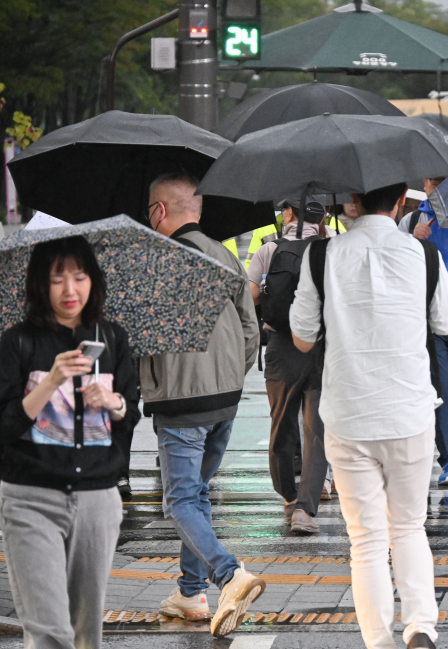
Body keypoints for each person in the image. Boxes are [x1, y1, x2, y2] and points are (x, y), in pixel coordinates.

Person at [290, 182, 448, 649]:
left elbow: (303, 337)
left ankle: (379, 642)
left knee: (365, 540)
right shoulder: (424, 256)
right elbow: (445, 322)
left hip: (348, 414)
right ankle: (421, 626)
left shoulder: (320, 256)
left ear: (351, 204)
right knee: (408, 526)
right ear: (401, 203)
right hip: (408, 411)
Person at [0, 236, 139, 649]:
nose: (70, 290)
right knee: (49, 633)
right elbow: (4, 428)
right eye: (57, 278)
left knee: (85, 634)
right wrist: (52, 382)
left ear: (93, 281)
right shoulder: (18, 341)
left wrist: (112, 402)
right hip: (31, 498)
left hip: (98, 499)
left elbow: (130, 413)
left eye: (79, 277)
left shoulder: (111, 338)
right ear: (39, 285)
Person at [143, 172, 265, 637]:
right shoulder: (225, 255)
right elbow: (249, 327)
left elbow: (141, 336)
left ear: (159, 211)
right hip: (225, 399)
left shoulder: (157, 261)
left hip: (179, 398)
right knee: (196, 494)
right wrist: (233, 373)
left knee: (179, 500)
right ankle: (190, 592)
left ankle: (229, 575)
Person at [248, 198, 330, 534]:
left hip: (282, 345)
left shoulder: (269, 250)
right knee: (317, 430)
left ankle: (288, 497)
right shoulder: (332, 248)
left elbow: (251, 294)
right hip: (323, 345)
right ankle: (305, 510)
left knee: (282, 424)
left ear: (291, 214)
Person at [399, 178, 448, 485]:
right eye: (433, 182)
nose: (438, 187)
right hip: (427, 320)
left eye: (444, 181)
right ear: (426, 184)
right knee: (440, 392)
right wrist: (411, 240)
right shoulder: (411, 220)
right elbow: (394, 263)